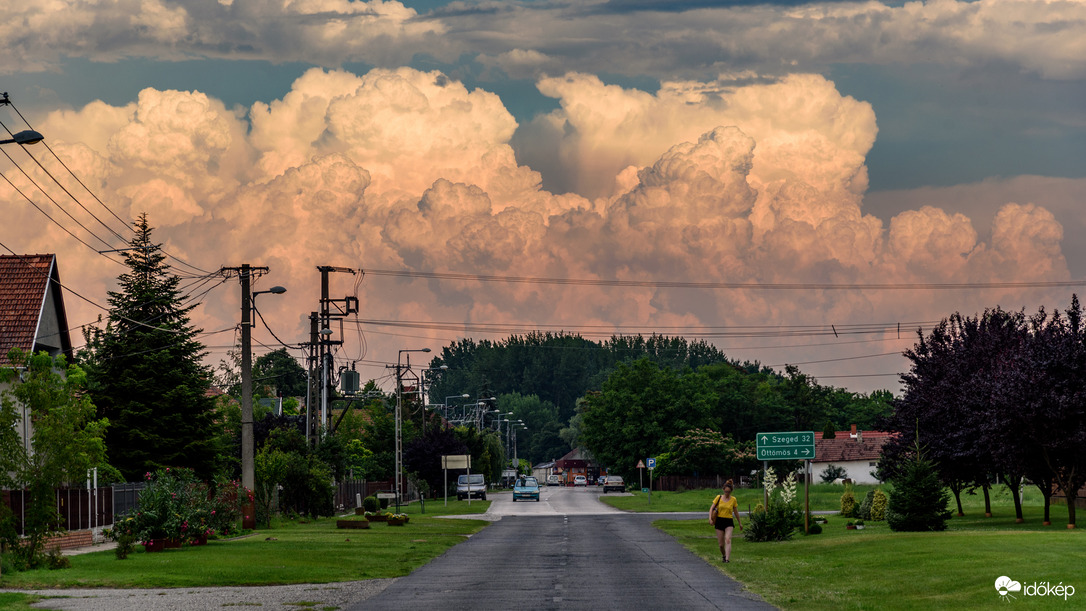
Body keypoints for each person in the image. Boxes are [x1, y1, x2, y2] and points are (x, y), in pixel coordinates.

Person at [709, 479, 742, 563]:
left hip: (729, 521)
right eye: (726, 491)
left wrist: (739, 523)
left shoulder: (733, 499)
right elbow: (711, 508)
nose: (727, 493)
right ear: (723, 490)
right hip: (719, 520)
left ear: (731, 491)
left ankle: (727, 559)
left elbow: (736, 512)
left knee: (727, 539)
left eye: (729, 492)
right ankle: (724, 555)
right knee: (720, 545)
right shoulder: (718, 497)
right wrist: (710, 518)